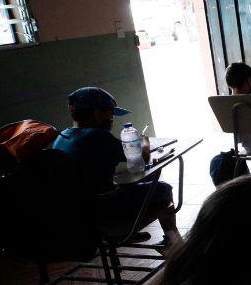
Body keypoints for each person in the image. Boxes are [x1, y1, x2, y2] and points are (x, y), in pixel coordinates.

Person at [52, 86, 182, 248]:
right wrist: (144, 141)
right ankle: (172, 242)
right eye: (110, 113)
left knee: (142, 182)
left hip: (76, 214)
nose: (112, 118)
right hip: (105, 211)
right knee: (163, 189)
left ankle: (128, 233)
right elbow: (141, 158)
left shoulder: (62, 137)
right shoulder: (97, 136)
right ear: (97, 113)